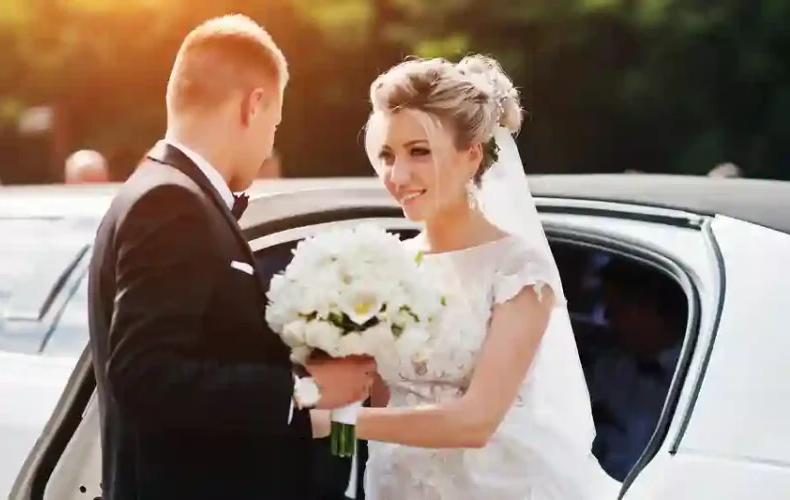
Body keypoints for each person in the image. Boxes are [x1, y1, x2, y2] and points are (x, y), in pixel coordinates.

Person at [86, 15, 375, 500]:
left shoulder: (162, 191)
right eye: (275, 126)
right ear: (253, 105)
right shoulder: (171, 204)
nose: (268, 149)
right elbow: (145, 375)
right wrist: (305, 386)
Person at [313, 55, 621, 499]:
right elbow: (376, 405)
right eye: (386, 156)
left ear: (471, 155)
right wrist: (331, 418)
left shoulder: (518, 269)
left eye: (419, 152)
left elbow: (476, 421)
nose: (397, 176)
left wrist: (339, 422)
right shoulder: (385, 268)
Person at [588, 258, 686, 480]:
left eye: (615, 309)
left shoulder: (697, 378)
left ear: (647, 310)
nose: (607, 318)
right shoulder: (609, 371)